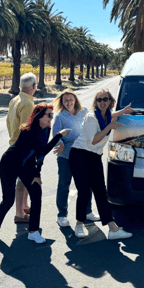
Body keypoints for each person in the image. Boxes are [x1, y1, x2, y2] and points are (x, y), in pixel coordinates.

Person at [0, 103, 71, 243]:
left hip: (25, 165)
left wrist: (37, 175)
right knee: (8, 200)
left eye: (52, 115)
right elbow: (42, 150)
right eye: (49, 115)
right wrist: (58, 136)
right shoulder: (28, 132)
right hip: (9, 163)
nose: (51, 118)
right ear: (39, 117)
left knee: (36, 192)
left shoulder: (46, 129)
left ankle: (33, 231)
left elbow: (40, 157)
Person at [69, 88, 134, 240]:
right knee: (84, 191)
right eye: (99, 100)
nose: (102, 102)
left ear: (110, 101)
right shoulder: (92, 117)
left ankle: (112, 229)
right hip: (80, 155)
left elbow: (112, 114)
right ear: (95, 102)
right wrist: (109, 128)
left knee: (100, 192)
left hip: (94, 157)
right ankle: (79, 224)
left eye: (105, 99)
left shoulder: (106, 114)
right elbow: (94, 140)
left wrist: (123, 111)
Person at [52, 89, 99, 228]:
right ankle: (62, 215)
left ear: (75, 100)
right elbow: (56, 135)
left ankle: (88, 211)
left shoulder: (84, 112)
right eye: (65, 100)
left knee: (86, 185)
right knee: (64, 185)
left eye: (71, 99)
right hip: (66, 157)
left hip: (84, 154)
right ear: (62, 102)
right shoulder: (60, 117)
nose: (68, 102)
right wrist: (59, 144)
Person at [6, 72, 36, 223]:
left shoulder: (15, 100)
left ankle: (24, 206)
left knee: (24, 179)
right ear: (34, 86)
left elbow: (8, 122)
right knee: (22, 180)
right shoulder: (28, 104)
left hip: (14, 143)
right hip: (23, 147)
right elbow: (26, 130)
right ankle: (19, 214)